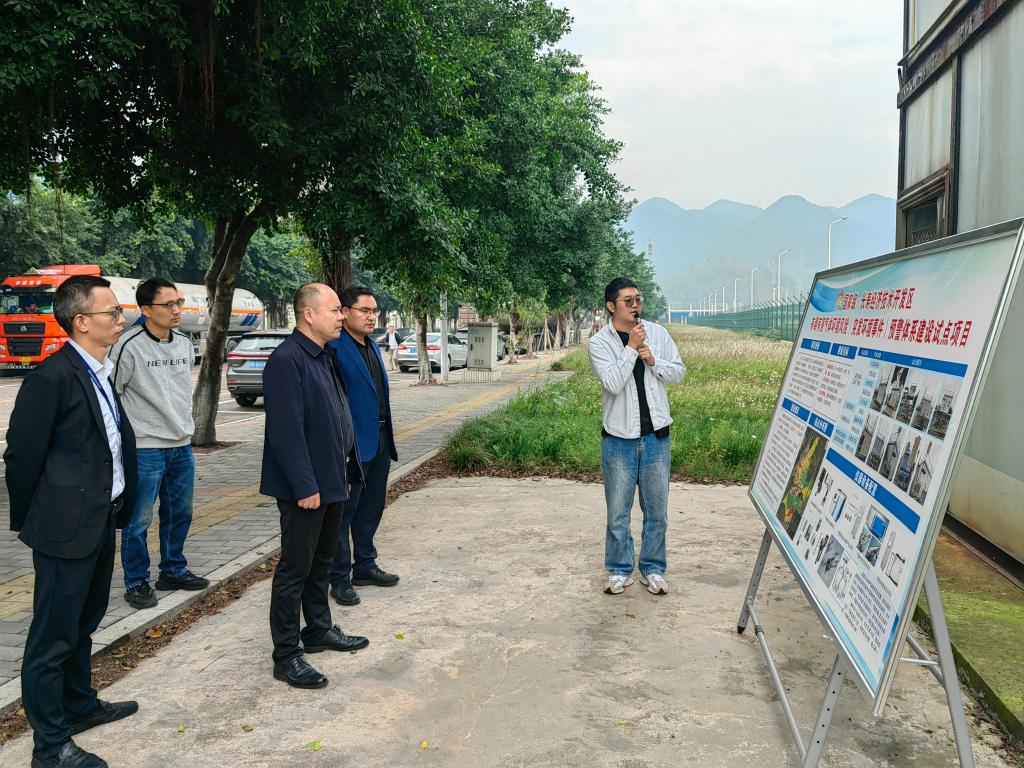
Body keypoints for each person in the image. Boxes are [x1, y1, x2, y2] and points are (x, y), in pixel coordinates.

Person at [5, 275, 139, 768]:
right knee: (52, 637)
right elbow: (21, 457)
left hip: (101, 519)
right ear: (81, 321)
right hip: (65, 528)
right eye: (112, 312)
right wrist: (40, 517)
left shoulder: (98, 370)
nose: (120, 319)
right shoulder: (51, 378)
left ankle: (79, 705)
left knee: (85, 621)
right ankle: (50, 745)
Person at [260, 282, 368, 689]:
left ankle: (319, 629)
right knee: (295, 568)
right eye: (335, 310)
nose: (342, 316)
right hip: (306, 489)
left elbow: (335, 417)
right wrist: (305, 486)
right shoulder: (287, 360)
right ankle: (286, 654)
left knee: (323, 560)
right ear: (309, 314)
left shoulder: (324, 355)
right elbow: (286, 432)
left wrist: (346, 471)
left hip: (333, 478)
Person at [110, 278, 208, 609]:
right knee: (138, 520)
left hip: (181, 444)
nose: (177, 310)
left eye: (178, 303)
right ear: (146, 310)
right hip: (145, 447)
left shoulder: (183, 343)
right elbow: (113, 395)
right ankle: (136, 581)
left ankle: (173, 570)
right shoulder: (128, 345)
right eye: (168, 305)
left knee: (180, 512)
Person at [587, 277, 686, 596]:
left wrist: (653, 360)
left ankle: (653, 569)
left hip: (656, 437)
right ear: (611, 306)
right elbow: (613, 383)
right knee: (618, 512)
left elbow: (678, 373)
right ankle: (619, 570)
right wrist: (631, 348)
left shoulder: (657, 333)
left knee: (657, 511)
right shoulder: (599, 343)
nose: (635, 305)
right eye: (627, 301)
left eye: (638, 299)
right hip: (619, 440)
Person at [328, 287, 400, 607]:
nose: (372, 317)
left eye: (374, 311)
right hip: (352, 444)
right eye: (365, 311)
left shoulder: (371, 345)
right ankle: (339, 577)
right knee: (344, 513)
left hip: (380, 438)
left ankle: (365, 565)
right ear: (345, 312)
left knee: (371, 507)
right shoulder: (334, 348)